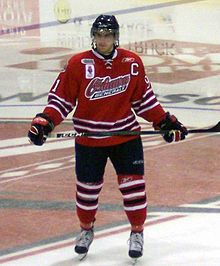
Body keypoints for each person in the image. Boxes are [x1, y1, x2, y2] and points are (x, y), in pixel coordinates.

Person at [28, 14, 188, 261]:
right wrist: (45, 121)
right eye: (99, 35)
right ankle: (85, 230)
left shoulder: (132, 62)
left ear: (116, 37)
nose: (103, 40)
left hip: (126, 137)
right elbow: (62, 100)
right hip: (90, 141)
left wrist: (163, 121)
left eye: (108, 35)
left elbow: (143, 100)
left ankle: (137, 233)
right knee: (87, 194)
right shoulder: (77, 64)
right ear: (93, 36)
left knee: (134, 190)